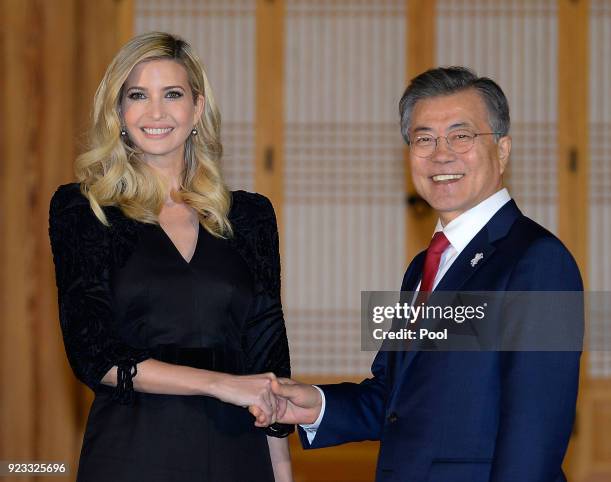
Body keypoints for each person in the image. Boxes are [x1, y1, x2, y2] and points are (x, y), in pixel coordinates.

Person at [255, 67, 583, 482]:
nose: (441, 154)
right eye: (424, 139)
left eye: (461, 136)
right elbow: (396, 398)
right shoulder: (424, 266)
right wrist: (316, 404)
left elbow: (535, 434)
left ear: (502, 150)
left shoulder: (538, 261)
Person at [49, 31, 293, 482]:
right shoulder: (83, 209)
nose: (156, 112)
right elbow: (93, 353)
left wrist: (281, 472)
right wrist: (220, 384)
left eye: (173, 94)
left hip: (238, 456)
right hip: (132, 454)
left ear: (196, 108)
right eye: (137, 95)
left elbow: (268, 360)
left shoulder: (252, 215)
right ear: (118, 112)